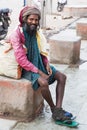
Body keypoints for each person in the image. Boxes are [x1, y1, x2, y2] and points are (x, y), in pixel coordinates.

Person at [8, 6, 72, 122]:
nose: (34, 22)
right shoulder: (17, 34)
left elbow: (41, 49)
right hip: (26, 69)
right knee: (43, 82)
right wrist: (39, 72)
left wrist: (46, 63)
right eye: (31, 19)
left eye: (36, 20)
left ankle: (58, 109)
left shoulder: (36, 32)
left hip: (39, 63)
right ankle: (54, 110)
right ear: (24, 19)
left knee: (62, 77)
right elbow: (21, 60)